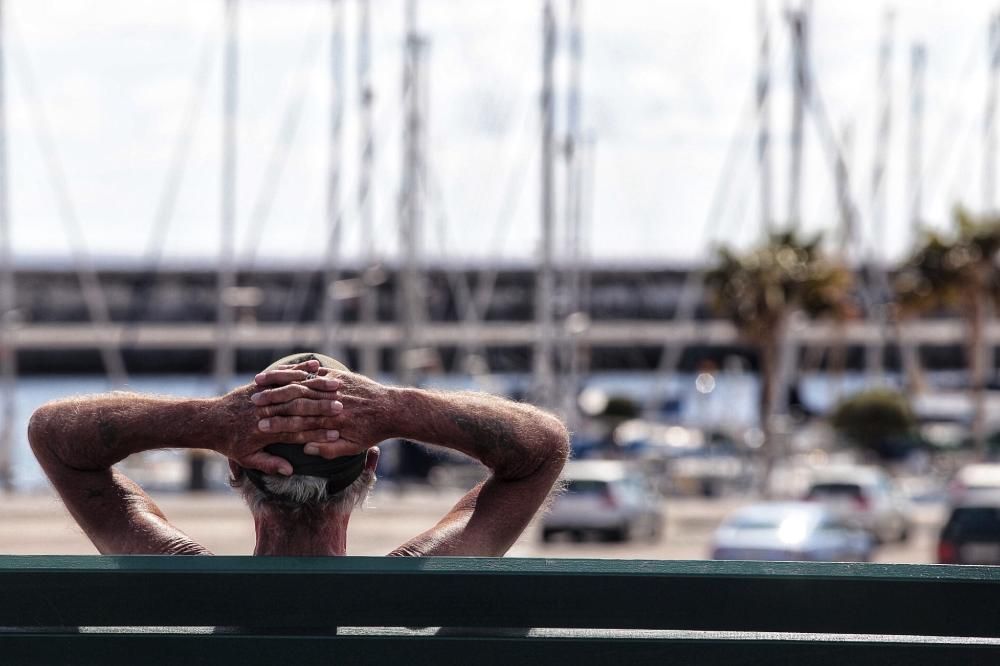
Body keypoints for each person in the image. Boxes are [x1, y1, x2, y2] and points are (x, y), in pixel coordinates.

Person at [27, 352, 569, 557]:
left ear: (235, 467)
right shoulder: (416, 586)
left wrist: (210, 420)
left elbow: (53, 435)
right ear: (371, 468)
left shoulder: (178, 582)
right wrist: (395, 407)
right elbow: (542, 448)